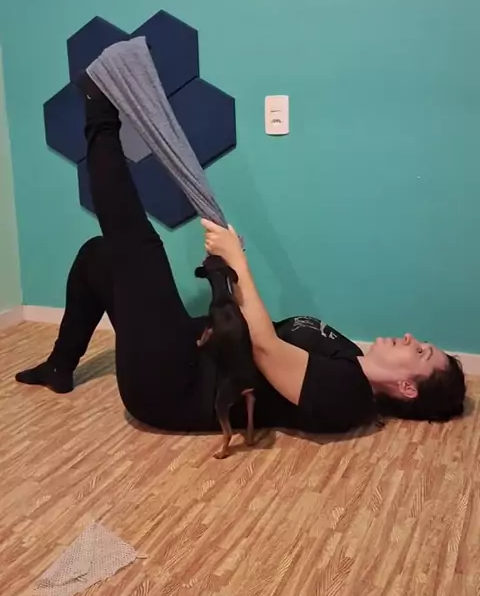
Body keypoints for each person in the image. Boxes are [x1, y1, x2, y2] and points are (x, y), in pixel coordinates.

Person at [16, 83, 466, 435]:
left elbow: (266, 349)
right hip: (189, 351)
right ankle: (60, 365)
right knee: (99, 256)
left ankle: (98, 107)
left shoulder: (347, 398)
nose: (412, 339)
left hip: (174, 388)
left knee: (137, 251)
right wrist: (231, 268)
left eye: (421, 352)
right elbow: (252, 332)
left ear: (407, 388)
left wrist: (238, 262)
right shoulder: (347, 354)